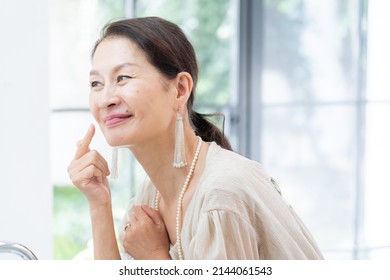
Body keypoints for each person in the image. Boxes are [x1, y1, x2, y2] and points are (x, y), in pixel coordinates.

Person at [67, 16, 323, 260]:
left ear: (180, 89)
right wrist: (99, 203)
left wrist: (156, 257)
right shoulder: (153, 192)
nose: (105, 99)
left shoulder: (221, 195)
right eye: (96, 84)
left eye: (123, 78)